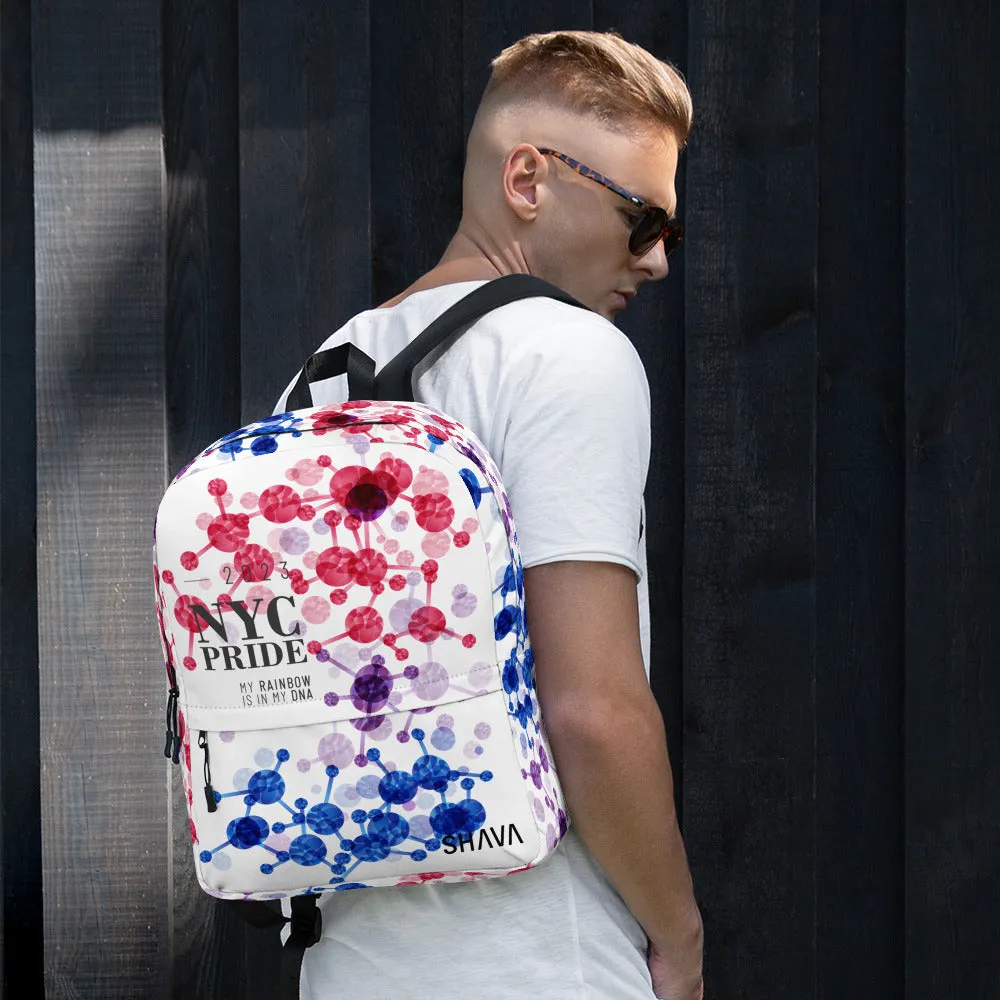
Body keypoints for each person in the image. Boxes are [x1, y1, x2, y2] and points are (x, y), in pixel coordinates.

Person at [274, 29, 703, 1000]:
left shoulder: (322, 375)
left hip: (347, 964)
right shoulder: (567, 353)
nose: (659, 262)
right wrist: (680, 935)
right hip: (537, 960)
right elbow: (589, 707)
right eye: (645, 221)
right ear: (528, 179)